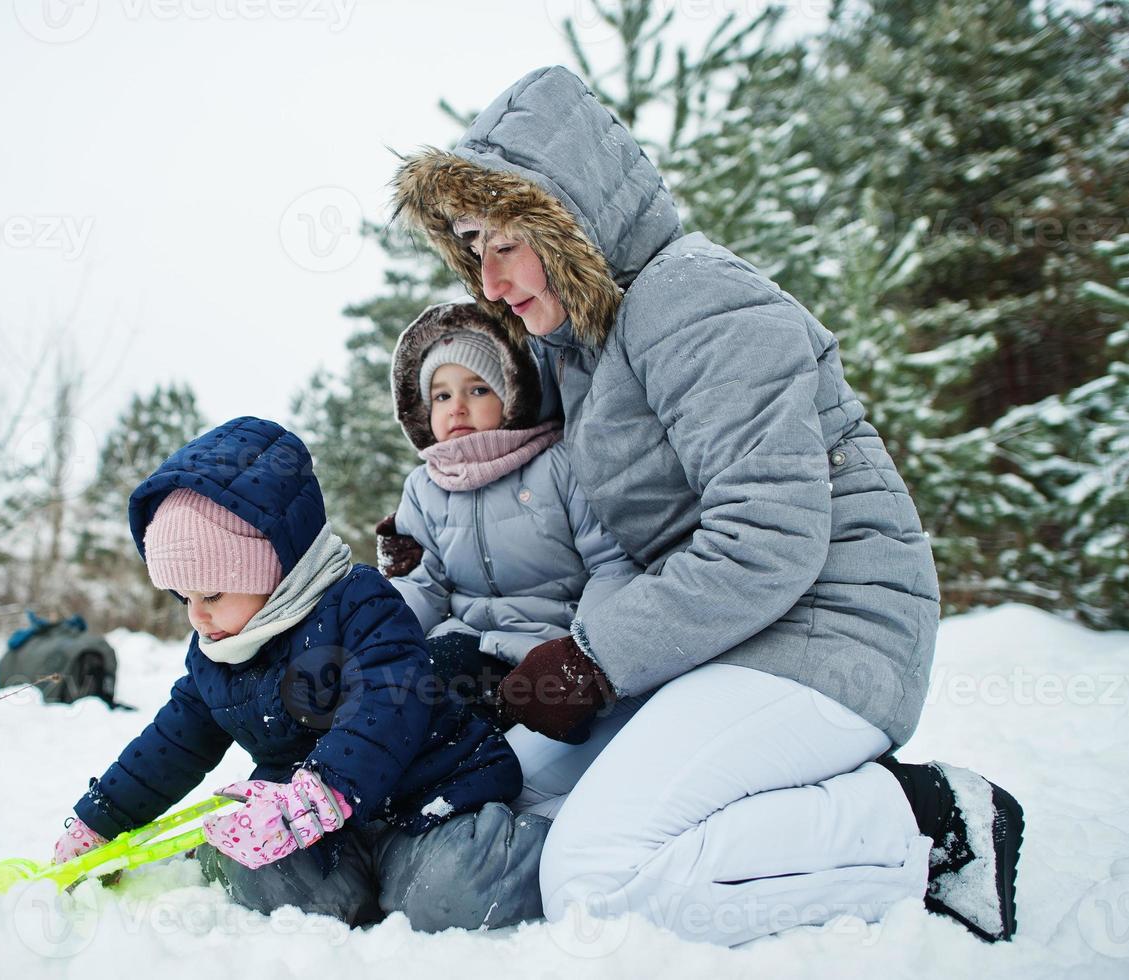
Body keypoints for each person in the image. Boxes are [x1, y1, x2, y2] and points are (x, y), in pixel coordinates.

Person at [388, 65, 1023, 945]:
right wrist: (526, 659)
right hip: (721, 643)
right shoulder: (590, 347)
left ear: (565, 220)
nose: (488, 283)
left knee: (596, 877)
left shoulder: (694, 299)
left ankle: (921, 821)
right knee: (511, 789)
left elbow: (767, 535)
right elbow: (623, 550)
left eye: (504, 244)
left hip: (830, 636)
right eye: (470, 248)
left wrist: (592, 661)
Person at [50, 416, 549, 932]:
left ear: (271, 570)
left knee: (450, 893)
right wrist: (100, 819)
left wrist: (323, 791)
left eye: (212, 594)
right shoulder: (217, 652)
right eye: (184, 598)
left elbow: (388, 703)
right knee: (267, 879)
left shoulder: (359, 605)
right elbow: (174, 742)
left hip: (426, 799)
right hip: (308, 825)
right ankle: (347, 885)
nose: (196, 616)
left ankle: (544, 848)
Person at [384, 300, 640, 729]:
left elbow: (612, 566)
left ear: (513, 392)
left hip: (548, 650)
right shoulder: (426, 488)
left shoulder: (558, 465)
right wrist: (378, 642)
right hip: (468, 647)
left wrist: (584, 653)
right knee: (401, 682)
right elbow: (422, 585)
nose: (457, 407)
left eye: (478, 389)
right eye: (442, 395)